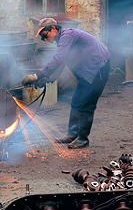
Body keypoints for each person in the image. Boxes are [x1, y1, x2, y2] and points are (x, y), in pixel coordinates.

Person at [22, 18, 111, 149]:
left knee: (86, 104)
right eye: (42, 37)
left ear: (53, 29)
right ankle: (72, 135)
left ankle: (82, 139)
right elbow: (61, 63)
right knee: (76, 102)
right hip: (87, 73)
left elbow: (58, 59)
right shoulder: (63, 41)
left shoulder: (68, 35)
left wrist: (37, 75)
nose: (44, 39)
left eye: (44, 35)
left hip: (98, 70)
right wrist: (46, 80)